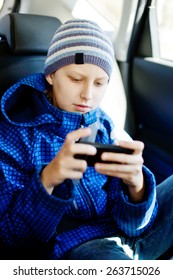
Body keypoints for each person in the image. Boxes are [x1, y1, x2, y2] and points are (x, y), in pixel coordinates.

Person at [0, 18, 172, 260]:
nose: (88, 96)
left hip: (123, 233)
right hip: (79, 248)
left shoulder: (102, 123)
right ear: (51, 75)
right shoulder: (14, 136)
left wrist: (136, 187)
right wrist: (48, 180)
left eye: (100, 83)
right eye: (76, 79)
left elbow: (133, 227)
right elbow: (12, 238)